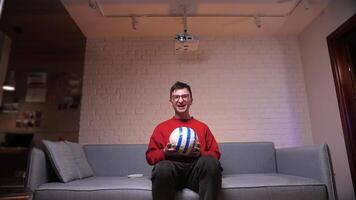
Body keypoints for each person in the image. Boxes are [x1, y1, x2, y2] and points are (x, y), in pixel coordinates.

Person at [146, 81, 222, 200]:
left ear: (191, 100)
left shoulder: (202, 127)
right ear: (171, 102)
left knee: (210, 162)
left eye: (185, 96)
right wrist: (164, 152)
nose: (180, 100)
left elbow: (215, 154)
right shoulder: (161, 128)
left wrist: (200, 153)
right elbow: (150, 157)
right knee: (162, 167)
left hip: (195, 174)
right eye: (176, 97)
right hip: (171, 174)